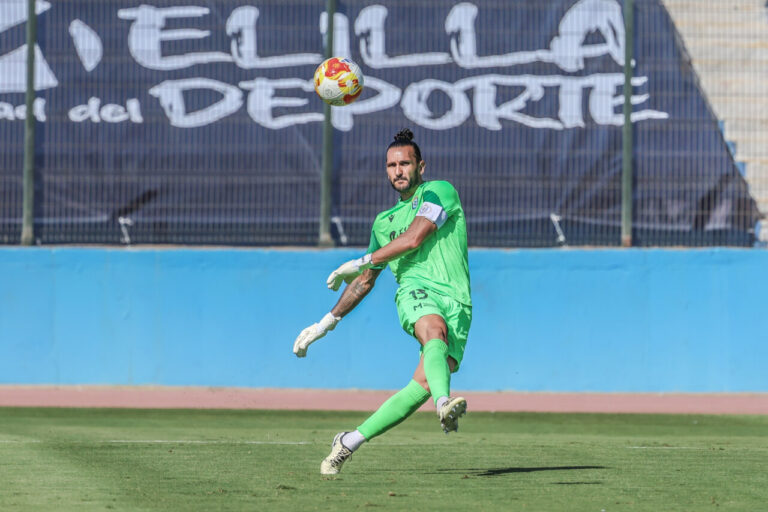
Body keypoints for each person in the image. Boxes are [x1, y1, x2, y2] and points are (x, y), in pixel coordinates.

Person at [292, 128, 472, 475]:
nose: (398, 171)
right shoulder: (382, 223)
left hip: (458, 302)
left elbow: (415, 237)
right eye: (391, 165)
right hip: (416, 293)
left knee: (419, 385)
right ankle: (445, 403)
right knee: (433, 331)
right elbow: (364, 282)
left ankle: (348, 442)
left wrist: (364, 259)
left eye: (405, 163)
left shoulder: (439, 191)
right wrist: (325, 323)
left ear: (421, 166)